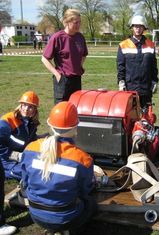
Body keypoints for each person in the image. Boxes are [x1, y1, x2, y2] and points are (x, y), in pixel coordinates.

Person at [21, 101, 97, 234]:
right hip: (67, 218)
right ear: (75, 127)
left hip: (35, 215)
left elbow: (25, 181)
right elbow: (86, 189)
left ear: (50, 125)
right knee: (91, 203)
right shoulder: (83, 159)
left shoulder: (30, 148)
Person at [41, 9, 88, 104]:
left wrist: (80, 66)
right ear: (67, 22)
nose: (78, 25)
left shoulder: (80, 37)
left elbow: (84, 54)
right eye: (76, 22)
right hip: (62, 80)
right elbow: (44, 58)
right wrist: (57, 75)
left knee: (75, 108)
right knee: (61, 111)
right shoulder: (57, 37)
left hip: (76, 79)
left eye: (80, 22)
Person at [117, 14, 158, 109]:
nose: (138, 29)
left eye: (140, 26)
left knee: (147, 116)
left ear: (144, 28)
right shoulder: (124, 45)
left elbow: (153, 66)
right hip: (130, 86)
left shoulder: (150, 45)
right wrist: (121, 82)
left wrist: (155, 81)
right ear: (132, 27)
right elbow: (120, 66)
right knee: (131, 117)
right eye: (135, 26)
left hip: (146, 87)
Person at [0, 91, 40, 180]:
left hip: (21, 155)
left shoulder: (32, 122)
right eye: (24, 105)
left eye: (30, 107)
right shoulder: (7, 121)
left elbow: (30, 140)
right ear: (20, 105)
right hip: (5, 158)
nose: (26, 109)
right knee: (28, 173)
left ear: (35, 109)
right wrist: (16, 156)